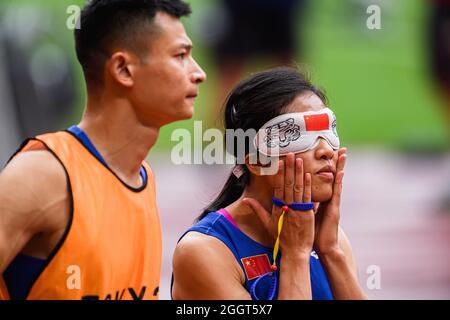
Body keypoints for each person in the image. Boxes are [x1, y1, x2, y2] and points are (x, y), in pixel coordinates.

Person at [0, 0, 206, 300]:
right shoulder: (45, 175)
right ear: (123, 69)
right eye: (181, 55)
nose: (198, 72)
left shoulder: (141, 178)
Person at [172, 67, 367, 300]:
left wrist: (332, 253)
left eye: (328, 132)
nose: (327, 151)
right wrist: (295, 255)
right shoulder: (204, 252)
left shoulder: (328, 239)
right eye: (299, 135)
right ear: (255, 161)